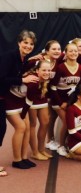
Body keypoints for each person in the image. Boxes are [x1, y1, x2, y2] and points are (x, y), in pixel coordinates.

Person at [0, 30, 39, 169]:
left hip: (7, 98)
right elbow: (2, 78)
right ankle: (16, 160)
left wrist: (35, 58)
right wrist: (23, 79)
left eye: (31, 44)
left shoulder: (23, 59)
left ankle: (23, 158)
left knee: (26, 127)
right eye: (25, 43)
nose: (28, 46)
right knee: (10, 128)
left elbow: (23, 67)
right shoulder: (8, 56)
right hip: (3, 98)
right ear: (19, 43)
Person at [50, 43, 81, 156]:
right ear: (65, 52)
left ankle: (68, 142)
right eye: (71, 51)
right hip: (58, 100)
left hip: (71, 101)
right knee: (66, 121)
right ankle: (60, 146)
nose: (73, 53)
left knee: (73, 121)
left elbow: (80, 88)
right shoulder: (60, 67)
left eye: (75, 51)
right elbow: (53, 87)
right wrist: (60, 103)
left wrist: (72, 103)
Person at [21, 60, 52, 161]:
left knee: (45, 123)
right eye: (44, 70)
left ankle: (41, 149)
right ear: (37, 70)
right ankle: (35, 152)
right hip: (31, 102)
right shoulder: (33, 82)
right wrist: (22, 115)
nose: (47, 72)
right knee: (32, 125)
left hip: (41, 98)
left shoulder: (47, 78)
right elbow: (28, 100)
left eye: (49, 70)